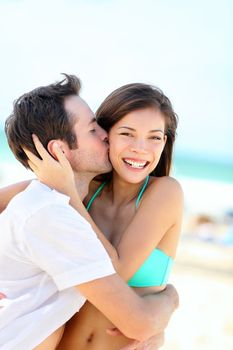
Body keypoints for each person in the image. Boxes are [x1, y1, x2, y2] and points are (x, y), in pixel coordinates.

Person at [0, 75, 179, 350]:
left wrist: (169, 302)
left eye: (154, 137)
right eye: (126, 133)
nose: (140, 148)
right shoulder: (79, 192)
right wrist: (168, 302)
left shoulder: (163, 192)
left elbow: (115, 275)